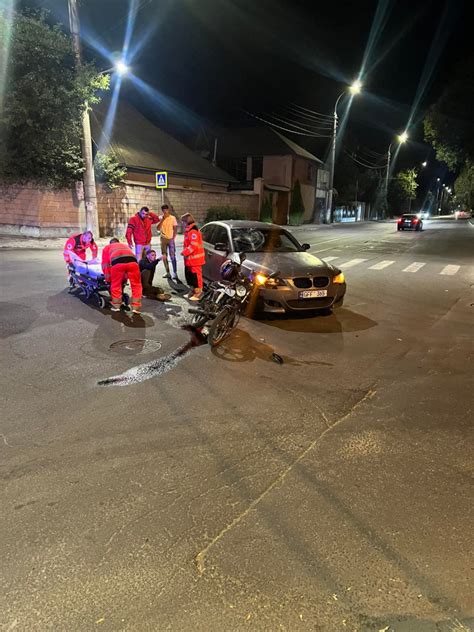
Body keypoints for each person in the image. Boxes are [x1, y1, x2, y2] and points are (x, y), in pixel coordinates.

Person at [101, 238, 142, 313]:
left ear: (110, 243)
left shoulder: (107, 248)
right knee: (136, 285)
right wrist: (125, 278)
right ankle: (136, 307)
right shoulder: (124, 245)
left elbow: (105, 265)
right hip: (133, 263)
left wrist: (108, 279)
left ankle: (116, 306)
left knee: (116, 285)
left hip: (118, 263)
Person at [180, 213, 205, 301]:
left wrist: (184, 253)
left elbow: (193, 245)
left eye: (182, 222)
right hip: (190, 259)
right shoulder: (189, 230)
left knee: (196, 277)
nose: (182, 224)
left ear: (186, 221)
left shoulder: (193, 231)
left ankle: (198, 293)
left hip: (195, 259)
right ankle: (193, 291)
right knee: (190, 276)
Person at [157, 204, 179, 280]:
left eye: (166, 210)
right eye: (163, 210)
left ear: (168, 210)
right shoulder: (160, 217)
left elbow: (175, 228)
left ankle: (175, 273)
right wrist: (162, 219)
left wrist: (173, 237)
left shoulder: (173, 218)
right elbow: (158, 228)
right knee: (164, 256)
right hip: (163, 239)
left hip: (171, 239)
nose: (165, 212)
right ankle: (168, 272)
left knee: (172, 256)